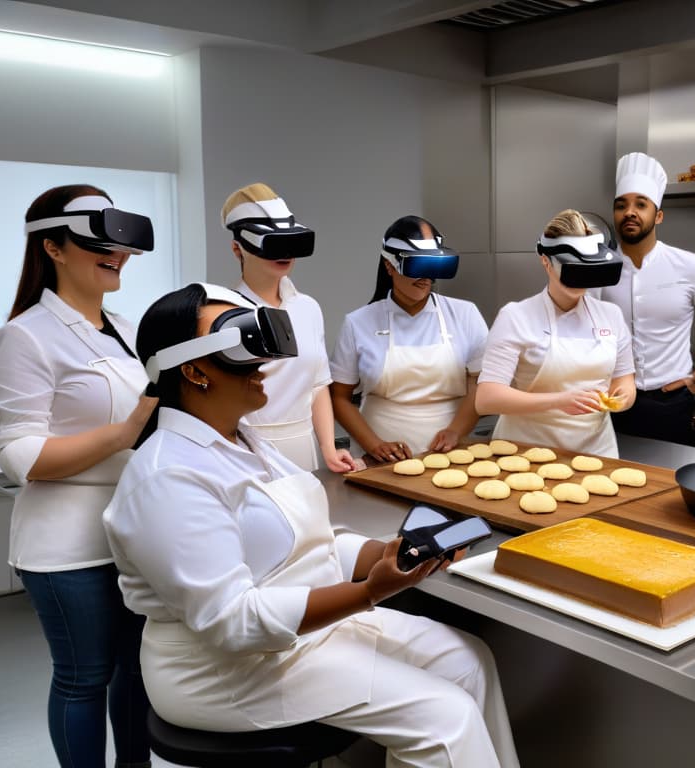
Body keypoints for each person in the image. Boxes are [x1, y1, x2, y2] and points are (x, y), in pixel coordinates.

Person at [103, 283, 519, 767]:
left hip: (311, 632)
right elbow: (234, 623)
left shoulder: (248, 442)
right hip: (225, 671)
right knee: (446, 720)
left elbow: (315, 544)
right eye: (240, 345)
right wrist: (368, 593)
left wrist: (392, 555)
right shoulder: (166, 478)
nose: (263, 364)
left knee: (469, 662)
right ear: (194, 370)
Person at [0, 185, 157, 768]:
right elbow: (21, 457)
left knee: (136, 673)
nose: (117, 253)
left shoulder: (128, 329)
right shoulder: (22, 337)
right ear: (52, 247)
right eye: (97, 241)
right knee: (85, 677)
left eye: (120, 243)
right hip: (65, 546)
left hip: (133, 530)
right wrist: (130, 427)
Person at [596, 151, 695, 444]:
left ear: (658, 215)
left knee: (667, 482)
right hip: (611, 401)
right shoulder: (598, 269)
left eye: (641, 204)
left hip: (671, 402)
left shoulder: (690, 266)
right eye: (621, 205)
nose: (630, 212)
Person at [475, 209, 636, 458]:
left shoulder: (611, 315)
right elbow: (487, 399)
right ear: (545, 262)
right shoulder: (516, 317)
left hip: (597, 452)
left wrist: (622, 398)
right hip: (527, 454)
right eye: (572, 269)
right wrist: (559, 401)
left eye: (586, 268)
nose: (580, 279)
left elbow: (624, 381)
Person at [222, 182, 358, 473]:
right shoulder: (224, 313)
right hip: (247, 452)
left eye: (290, 243)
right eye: (272, 244)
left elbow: (319, 385)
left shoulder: (307, 307)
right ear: (238, 249)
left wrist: (329, 448)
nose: (284, 254)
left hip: (305, 448)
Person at [330, 216, 488, 462]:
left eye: (432, 266)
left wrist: (455, 431)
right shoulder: (358, 323)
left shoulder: (465, 314)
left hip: (452, 452)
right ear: (389, 266)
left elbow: (480, 385)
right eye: (417, 266)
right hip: (381, 456)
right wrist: (374, 445)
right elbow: (339, 397)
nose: (425, 277)